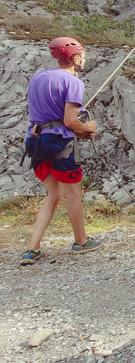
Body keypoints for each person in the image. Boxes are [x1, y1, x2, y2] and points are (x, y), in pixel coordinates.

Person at [20, 37, 103, 265]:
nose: (84, 58)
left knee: (53, 194)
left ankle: (31, 249)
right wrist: (87, 128)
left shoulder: (38, 77)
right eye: (82, 54)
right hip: (59, 143)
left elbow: (46, 112)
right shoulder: (73, 82)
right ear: (75, 58)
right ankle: (81, 241)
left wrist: (78, 126)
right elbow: (69, 121)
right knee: (73, 193)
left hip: (35, 140)